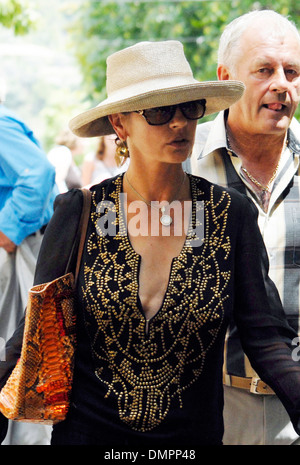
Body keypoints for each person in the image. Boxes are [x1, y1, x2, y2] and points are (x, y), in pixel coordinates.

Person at [1, 39, 300, 447]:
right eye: (159, 111)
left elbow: (266, 339)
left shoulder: (230, 216)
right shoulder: (80, 212)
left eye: (189, 108)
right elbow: (31, 335)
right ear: (121, 125)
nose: (179, 123)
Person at [186, 10, 300, 445]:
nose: (282, 85)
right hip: (207, 409)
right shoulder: (177, 163)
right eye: (264, 70)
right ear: (225, 77)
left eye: (292, 71)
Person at [0, 99, 58, 444]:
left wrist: (7, 230)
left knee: (20, 356)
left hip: (16, 251)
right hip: (15, 248)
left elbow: (39, 173)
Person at [47, 128, 83, 192]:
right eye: (82, 139)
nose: (85, 143)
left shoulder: (69, 156)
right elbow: (58, 181)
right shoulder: (63, 152)